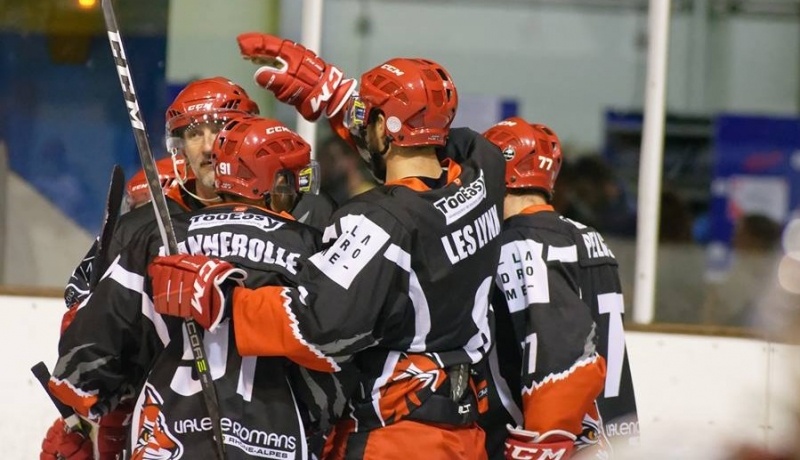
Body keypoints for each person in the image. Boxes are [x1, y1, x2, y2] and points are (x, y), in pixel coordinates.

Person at [146, 33, 506, 460]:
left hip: (398, 436)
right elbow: (437, 141)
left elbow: (318, 323)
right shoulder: (484, 173)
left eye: (367, 115)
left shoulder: (379, 222)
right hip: (467, 432)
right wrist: (341, 100)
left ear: (383, 128)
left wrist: (224, 300)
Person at [47, 116, 349, 459]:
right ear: (270, 181)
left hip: (166, 440)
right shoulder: (313, 247)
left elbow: (90, 350)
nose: (295, 195)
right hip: (275, 442)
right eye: (289, 181)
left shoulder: (161, 239)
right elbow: (339, 351)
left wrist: (91, 399)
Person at [43, 77, 262, 460]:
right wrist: (89, 419)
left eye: (221, 129)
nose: (208, 146)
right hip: (158, 414)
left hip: (260, 418)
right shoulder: (144, 225)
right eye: (194, 134)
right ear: (179, 145)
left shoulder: (284, 215)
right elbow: (85, 317)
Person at [480, 117, 639, 458]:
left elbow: (559, 356)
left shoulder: (516, 245)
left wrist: (541, 444)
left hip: (553, 443)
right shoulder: (591, 238)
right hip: (609, 440)